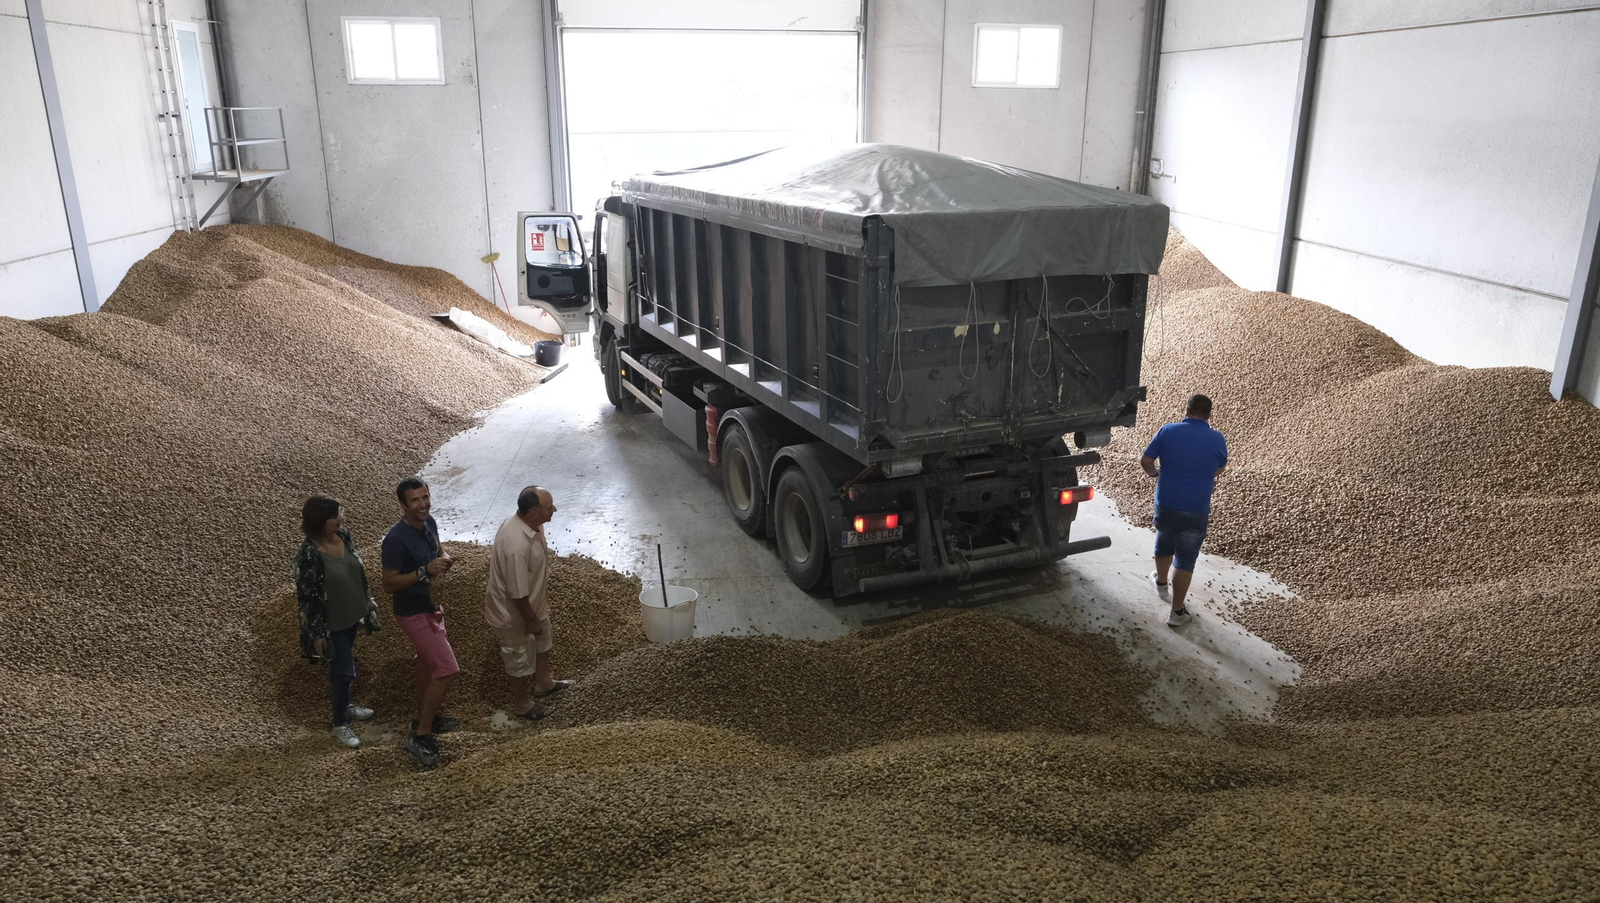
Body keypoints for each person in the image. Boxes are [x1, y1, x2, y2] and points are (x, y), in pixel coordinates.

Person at [381, 477, 459, 767]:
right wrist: (424, 571)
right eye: (415, 500)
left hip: (431, 606)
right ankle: (421, 735)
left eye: (425, 497)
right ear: (403, 505)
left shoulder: (430, 522)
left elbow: (440, 549)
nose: (423, 504)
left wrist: (445, 559)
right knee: (447, 670)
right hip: (412, 613)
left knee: (427, 665)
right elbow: (389, 584)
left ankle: (427, 717)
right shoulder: (395, 540)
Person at [293, 496, 381, 748]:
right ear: (320, 522)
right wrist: (318, 633)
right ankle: (340, 724)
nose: (341, 518)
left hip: (352, 613)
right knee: (344, 670)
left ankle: (345, 704)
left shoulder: (345, 537)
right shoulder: (308, 554)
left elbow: (357, 569)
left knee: (343, 666)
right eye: (335, 516)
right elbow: (308, 599)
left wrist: (368, 598)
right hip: (332, 623)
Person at [485, 486, 573, 720]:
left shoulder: (531, 524)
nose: (554, 509)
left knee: (544, 640)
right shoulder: (516, 545)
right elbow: (517, 594)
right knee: (517, 657)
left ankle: (543, 682)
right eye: (549, 507)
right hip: (513, 613)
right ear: (534, 512)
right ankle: (522, 703)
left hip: (534, 601)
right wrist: (531, 620)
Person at [1141, 394, 1228, 628]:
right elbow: (1219, 468)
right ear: (1209, 415)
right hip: (1196, 508)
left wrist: (1155, 475)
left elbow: (1146, 461)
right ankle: (1177, 613)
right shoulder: (1217, 439)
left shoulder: (1168, 431)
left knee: (1164, 541)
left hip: (1166, 502)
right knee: (1186, 558)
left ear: (1186, 410)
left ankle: (1160, 583)